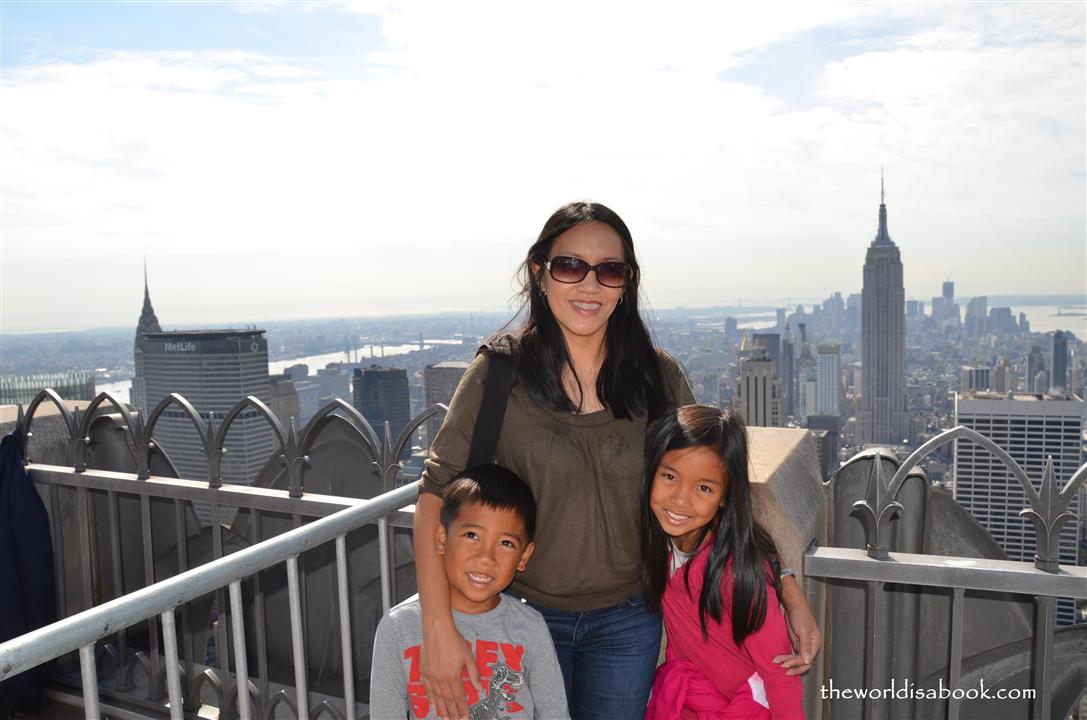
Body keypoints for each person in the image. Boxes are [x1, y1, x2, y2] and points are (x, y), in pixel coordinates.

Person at [414, 201, 819, 720]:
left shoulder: (657, 376)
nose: (589, 286)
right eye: (569, 266)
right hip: (518, 615)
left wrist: (786, 586)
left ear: (626, 284)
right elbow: (434, 499)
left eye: (609, 270)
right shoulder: (498, 378)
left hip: (629, 619)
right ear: (539, 273)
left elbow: (715, 491)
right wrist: (438, 628)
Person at [371, 464, 570, 720]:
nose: (486, 557)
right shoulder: (398, 628)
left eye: (506, 543)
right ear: (442, 538)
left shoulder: (530, 628)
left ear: (524, 556)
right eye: (472, 535)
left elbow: (555, 714)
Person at [642, 405, 803, 719]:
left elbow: (779, 672)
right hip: (688, 704)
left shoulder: (736, 573)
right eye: (669, 477)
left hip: (742, 711)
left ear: (726, 496)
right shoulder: (656, 544)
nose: (680, 499)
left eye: (704, 488)